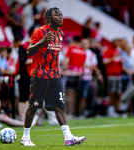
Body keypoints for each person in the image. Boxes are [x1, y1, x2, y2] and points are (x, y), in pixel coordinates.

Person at [21, 7, 86, 146]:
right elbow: (29, 51)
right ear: (49, 18)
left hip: (55, 75)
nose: (61, 17)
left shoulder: (60, 33)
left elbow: (54, 55)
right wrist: (42, 41)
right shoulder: (39, 31)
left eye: (62, 15)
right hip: (39, 74)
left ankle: (68, 137)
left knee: (60, 106)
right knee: (34, 106)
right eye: (57, 15)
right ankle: (25, 137)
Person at [64, 36, 86, 118]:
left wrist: (65, 69)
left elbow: (67, 60)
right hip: (79, 74)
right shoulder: (83, 51)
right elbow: (83, 63)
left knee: (70, 94)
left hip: (71, 73)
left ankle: (69, 112)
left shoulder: (71, 48)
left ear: (73, 40)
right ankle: (75, 112)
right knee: (76, 94)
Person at [103, 39, 123, 117]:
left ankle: (116, 109)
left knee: (117, 93)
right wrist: (113, 57)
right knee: (111, 92)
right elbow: (105, 62)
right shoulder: (108, 51)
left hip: (118, 74)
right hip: (111, 75)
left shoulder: (118, 51)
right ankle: (110, 109)